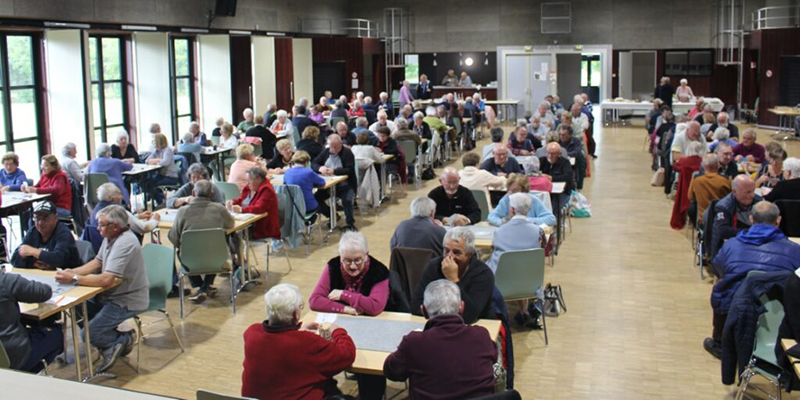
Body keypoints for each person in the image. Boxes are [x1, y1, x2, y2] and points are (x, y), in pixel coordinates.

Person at [55, 205, 149, 373]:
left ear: (115, 226)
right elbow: (97, 262)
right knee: (76, 305)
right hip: (111, 295)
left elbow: (106, 279)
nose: (97, 228)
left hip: (127, 300)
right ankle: (109, 337)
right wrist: (71, 272)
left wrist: (75, 279)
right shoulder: (111, 236)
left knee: (87, 334)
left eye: (101, 224)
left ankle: (120, 340)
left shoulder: (124, 243)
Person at [703, 201, 800, 359]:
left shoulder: (730, 246)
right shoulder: (795, 250)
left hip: (735, 310)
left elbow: (717, 268)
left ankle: (720, 342)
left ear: (751, 220)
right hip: (777, 315)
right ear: (778, 220)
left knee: (721, 286)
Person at [384, 279, 497, 399]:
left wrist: (409, 344)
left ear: (424, 311)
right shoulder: (481, 335)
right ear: (462, 307)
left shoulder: (414, 343)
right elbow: (493, 355)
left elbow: (391, 371)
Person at [242, 284, 355, 400]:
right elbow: (347, 355)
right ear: (296, 314)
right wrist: (337, 331)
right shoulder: (307, 343)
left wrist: (296, 331)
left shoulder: (251, 333)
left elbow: (279, 347)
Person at [169, 180, 235, 303]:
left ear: (193, 193)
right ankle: (205, 287)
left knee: (181, 252)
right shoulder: (219, 209)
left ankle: (201, 287)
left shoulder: (182, 212)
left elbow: (174, 239)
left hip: (190, 258)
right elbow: (230, 224)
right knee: (213, 248)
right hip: (217, 257)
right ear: (211, 194)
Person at [411, 228, 495, 324]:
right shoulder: (433, 267)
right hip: (438, 325)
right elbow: (416, 305)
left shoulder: (483, 274)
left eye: (457, 252)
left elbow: (469, 316)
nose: (449, 257)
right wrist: (443, 319)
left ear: (470, 254)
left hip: (478, 326)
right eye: (446, 251)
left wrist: (453, 280)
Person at [487, 193, 544, 327]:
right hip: (530, 284)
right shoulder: (537, 231)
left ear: (511, 209)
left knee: (488, 260)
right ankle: (524, 311)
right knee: (522, 265)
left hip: (501, 283)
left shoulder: (499, 231)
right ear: (529, 210)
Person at [0, 270, 64, 373]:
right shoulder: (6, 281)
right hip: (14, 356)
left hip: (6, 352)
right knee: (57, 335)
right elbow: (44, 292)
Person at [11, 201, 81, 270]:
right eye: (37, 218)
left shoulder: (63, 233)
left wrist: (33, 251)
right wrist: (34, 263)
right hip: (44, 276)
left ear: (55, 218)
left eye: (45, 218)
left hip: (70, 276)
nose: (40, 223)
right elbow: (14, 259)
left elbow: (59, 259)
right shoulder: (33, 232)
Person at [710, 175, 763, 261]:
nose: (752, 195)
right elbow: (723, 231)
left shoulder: (759, 201)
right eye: (748, 192)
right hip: (731, 248)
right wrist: (752, 232)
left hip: (755, 245)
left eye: (753, 191)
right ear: (734, 191)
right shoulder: (724, 206)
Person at [312, 134, 358, 231]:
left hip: (346, 184)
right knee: (315, 199)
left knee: (347, 200)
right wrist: (320, 168)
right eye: (331, 146)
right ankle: (332, 215)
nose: (333, 149)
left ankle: (350, 224)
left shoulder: (347, 153)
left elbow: (349, 170)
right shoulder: (325, 152)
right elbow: (314, 163)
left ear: (341, 144)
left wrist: (334, 171)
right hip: (329, 185)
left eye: (335, 147)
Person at [228, 167, 281, 240]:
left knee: (233, 235)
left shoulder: (267, 189)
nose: (248, 183)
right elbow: (242, 200)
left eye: (249, 180)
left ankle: (236, 250)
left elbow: (259, 208)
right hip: (249, 223)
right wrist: (233, 202)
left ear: (258, 179)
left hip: (261, 227)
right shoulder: (249, 187)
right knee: (229, 232)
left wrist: (241, 210)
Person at [90, 183, 160, 237]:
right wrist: (155, 220)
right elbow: (144, 228)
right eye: (119, 194)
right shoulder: (116, 211)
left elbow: (119, 220)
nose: (121, 197)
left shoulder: (96, 210)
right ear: (111, 198)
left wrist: (138, 216)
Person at [488, 173, 555, 227]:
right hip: (511, 232)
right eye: (509, 190)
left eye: (515, 190)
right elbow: (492, 216)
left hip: (529, 232)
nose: (510, 193)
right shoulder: (506, 199)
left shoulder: (533, 200)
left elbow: (551, 219)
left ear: (524, 191)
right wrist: (502, 223)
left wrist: (525, 221)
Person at [688, 154, 731, 226]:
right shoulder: (726, 180)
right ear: (717, 165)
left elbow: (690, 197)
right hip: (722, 218)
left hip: (703, 219)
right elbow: (730, 197)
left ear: (703, 165)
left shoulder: (696, 179)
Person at [144, 133, 179, 206]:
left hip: (170, 176)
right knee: (146, 183)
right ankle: (158, 200)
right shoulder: (156, 151)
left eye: (155, 141)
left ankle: (161, 202)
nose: (153, 143)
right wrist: (158, 159)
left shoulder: (168, 150)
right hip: (161, 175)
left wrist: (155, 161)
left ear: (159, 142)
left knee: (153, 184)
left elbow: (165, 162)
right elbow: (147, 161)